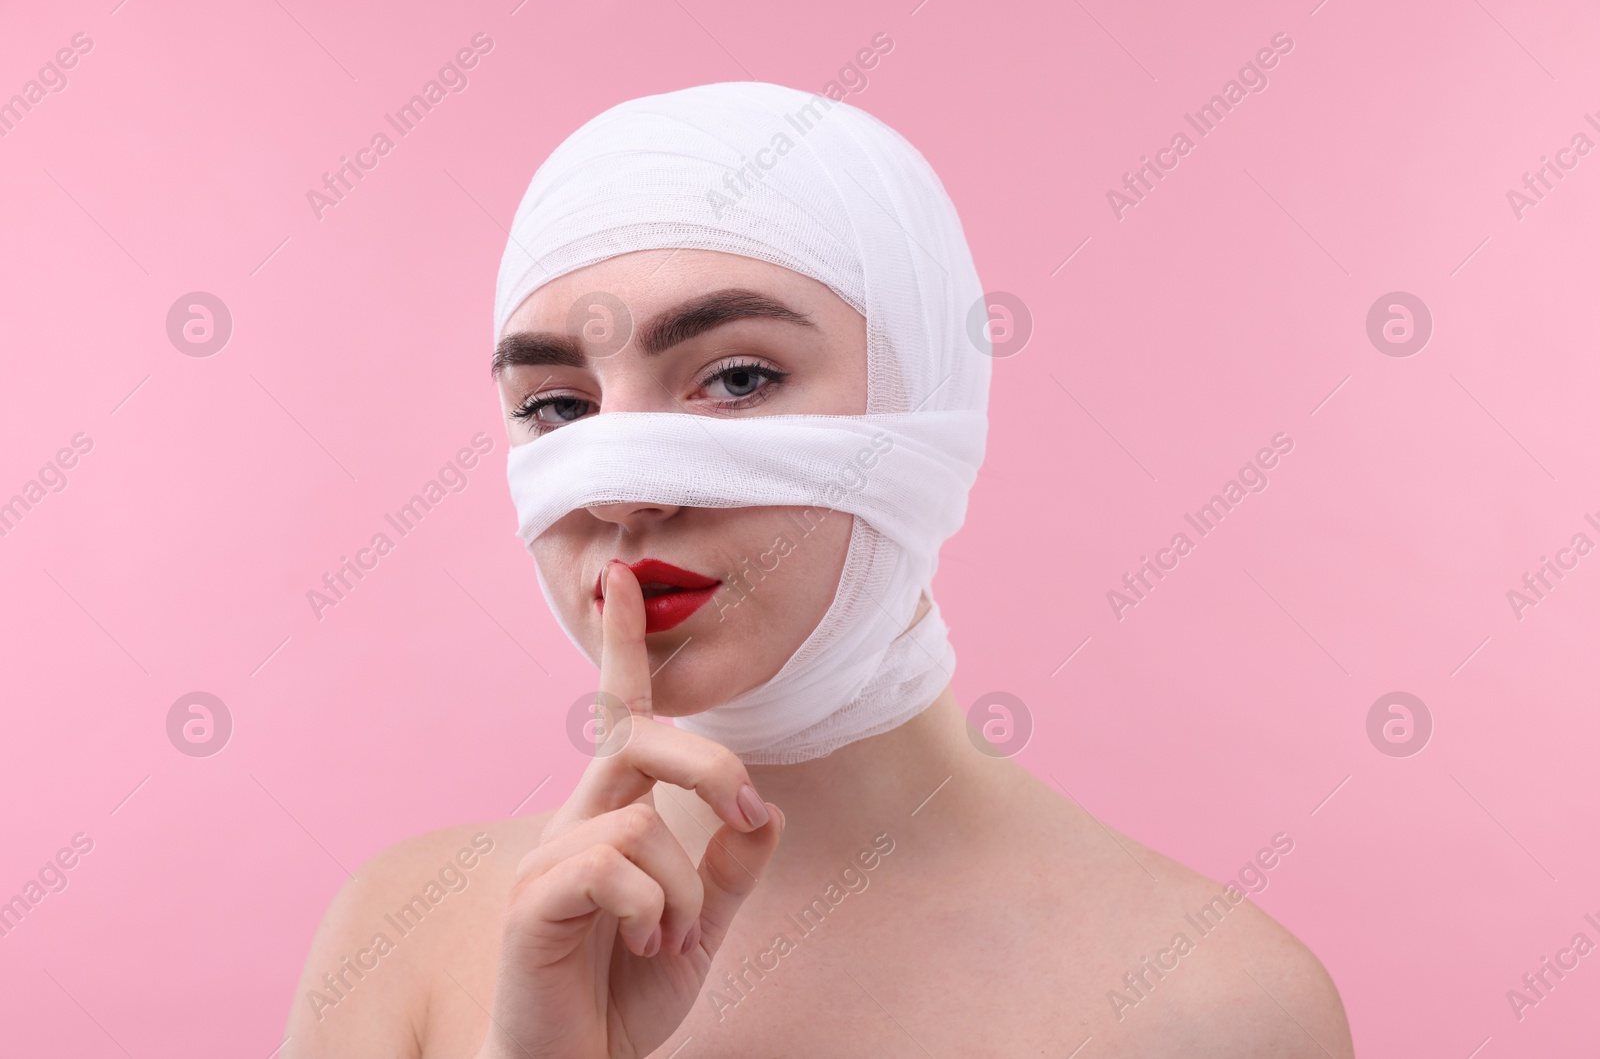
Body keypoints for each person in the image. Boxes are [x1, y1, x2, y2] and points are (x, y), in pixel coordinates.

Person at [284, 81, 1354, 1058]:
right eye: (558, 406)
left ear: (923, 399)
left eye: (737, 377)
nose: (619, 489)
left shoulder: (1216, 1005)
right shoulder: (403, 938)